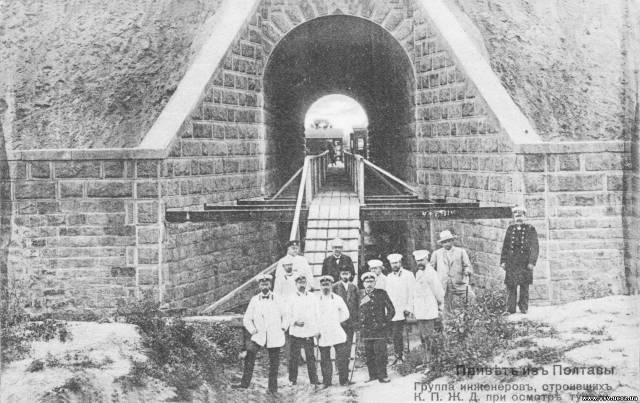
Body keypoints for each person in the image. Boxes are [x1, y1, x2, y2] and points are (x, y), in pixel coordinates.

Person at [232, 274, 287, 395]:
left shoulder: (278, 298)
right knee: (250, 354)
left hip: (274, 334)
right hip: (259, 335)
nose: (265, 285)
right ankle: (244, 384)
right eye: (262, 284)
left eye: (267, 283)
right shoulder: (254, 300)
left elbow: (286, 315)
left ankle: (272, 389)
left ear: (270, 285)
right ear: (259, 286)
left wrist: (283, 327)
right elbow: (247, 318)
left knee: (274, 362)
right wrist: (252, 330)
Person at [500, 206, 539, 315]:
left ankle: (523, 308)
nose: (519, 218)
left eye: (521, 216)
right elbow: (505, 246)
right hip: (511, 262)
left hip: (525, 263)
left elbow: (535, 247)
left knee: (524, 286)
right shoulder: (510, 229)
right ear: (514, 217)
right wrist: (503, 261)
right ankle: (510, 309)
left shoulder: (530, 229)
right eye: (517, 216)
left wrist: (532, 262)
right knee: (511, 285)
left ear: (524, 216)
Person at [359, 272, 394, 383]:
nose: (369, 284)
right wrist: (360, 324)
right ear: (363, 283)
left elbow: (391, 310)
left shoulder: (381, 293)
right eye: (367, 282)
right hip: (367, 330)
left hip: (379, 329)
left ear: (375, 283)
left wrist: (385, 323)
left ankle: (383, 375)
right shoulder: (361, 295)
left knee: (381, 353)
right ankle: (372, 375)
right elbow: (357, 311)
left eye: (371, 281)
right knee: (369, 354)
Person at [430, 230, 475, 316]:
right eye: (444, 242)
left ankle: (468, 317)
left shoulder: (461, 252)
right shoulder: (436, 254)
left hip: (459, 283)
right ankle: (446, 321)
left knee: (471, 297)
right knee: (445, 306)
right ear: (441, 243)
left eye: (448, 241)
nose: (447, 244)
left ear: (452, 241)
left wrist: (467, 271)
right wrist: (435, 280)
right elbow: (431, 269)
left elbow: (468, 266)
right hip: (443, 284)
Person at [287, 272, 320, 387]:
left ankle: (314, 380)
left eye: (303, 282)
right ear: (295, 284)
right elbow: (286, 314)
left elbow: (317, 314)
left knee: (310, 356)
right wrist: (294, 322)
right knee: (294, 357)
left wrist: (316, 330)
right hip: (295, 331)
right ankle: (292, 379)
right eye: (299, 282)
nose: (302, 284)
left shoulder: (312, 297)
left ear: (306, 283)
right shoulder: (290, 297)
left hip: (308, 332)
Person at [316, 275, 350, 388]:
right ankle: (327, 381)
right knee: (325, 358)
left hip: (336, 331)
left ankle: (344, 380)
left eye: (327, 284)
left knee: (342, 357)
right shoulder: (316, 300)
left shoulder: (337, 298)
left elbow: (346, 313)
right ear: (320, 286)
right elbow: (312, 316)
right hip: (323, 332)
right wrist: (316, 330)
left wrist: (336, 322)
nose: (325, 286)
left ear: (331, 285)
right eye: (323, 285)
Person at [412, 250, 444, 362]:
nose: (419, 263)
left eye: (421, 260)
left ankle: (433, 361)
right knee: (423, 337)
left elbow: (438, 291)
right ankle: (427, 360)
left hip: (429, 310)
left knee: (430, 337)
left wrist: (440, 305)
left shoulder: (431, 273)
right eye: (417, 261)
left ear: (427, 259)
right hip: (420, 311)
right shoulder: (419, 273)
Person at [384, 253, 415, 364]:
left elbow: (412, 293)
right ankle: (398, 355)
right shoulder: (389, 277)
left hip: (404, 309)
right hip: (393, 310)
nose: (395, 265)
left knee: (401, 333)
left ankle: (405, 356)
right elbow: (387, 295)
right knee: (395, 334)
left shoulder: (408, 275)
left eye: (396, 263)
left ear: (400, 263)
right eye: (392, 263)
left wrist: (409, 308)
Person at [332, 268, 360, 386]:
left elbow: (358, 304)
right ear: (340, 274)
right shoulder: (334, 287)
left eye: (347, 273)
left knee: (348, 347)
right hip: (339, 323)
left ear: (350, 275)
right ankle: (339, 368)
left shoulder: (354, 287)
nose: (345, 275)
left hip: (351, 322)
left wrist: (357, 322)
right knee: (339, 347)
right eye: (343, 273)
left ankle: (345, 371)